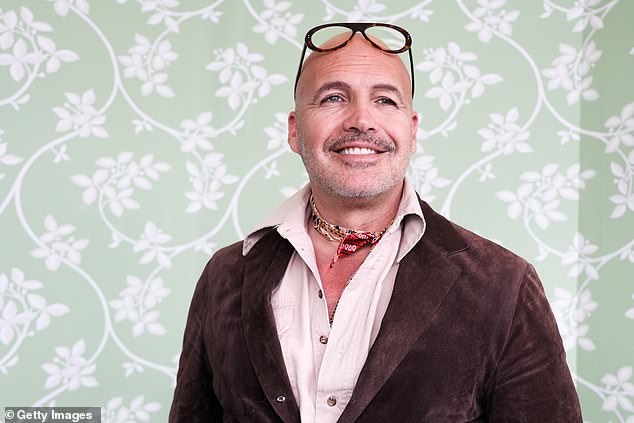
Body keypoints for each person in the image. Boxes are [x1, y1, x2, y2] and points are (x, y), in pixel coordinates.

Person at [169, 22, 583, 422]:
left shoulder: (504, 286)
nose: (361, 120)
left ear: (412, 130)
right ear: (295, 131)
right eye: (333, 98)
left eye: (385, 100)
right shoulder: (224, 276)